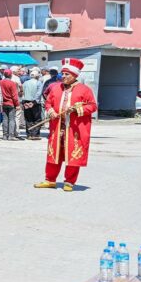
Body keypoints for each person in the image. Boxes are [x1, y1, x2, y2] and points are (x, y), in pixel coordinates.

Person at [35, 58, 97, 192]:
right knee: (54, 154)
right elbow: (48, 103)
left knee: (72, 155)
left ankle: (69, 182)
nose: (63, 76)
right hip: (57, 127)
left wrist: (76, 110)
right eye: (62, 74)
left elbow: (92, 106)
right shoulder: (56, 88)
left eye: (66, 74)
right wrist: (51, 111)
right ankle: (50, 180)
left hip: (74, 128)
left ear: (74, 75)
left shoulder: (84, 90)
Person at [0, 69, 21, 140]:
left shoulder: (0, 82)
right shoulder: (12, 83)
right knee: (12, 119)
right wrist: (17, 104)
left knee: (5, 119)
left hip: (3, 103)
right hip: (11, 103)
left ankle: (5, 135)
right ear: (11, 75)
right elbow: (14, 95)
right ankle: (11, 135)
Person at [21, 68, 44, 140]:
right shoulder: (38, 83)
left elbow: (23, 93)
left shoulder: (25, 83)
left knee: (28, 119)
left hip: (26, 102)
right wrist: (34, 102)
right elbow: (39, 94)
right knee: (37, 119)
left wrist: (24, 102)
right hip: (35, 103)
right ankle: (35, 134)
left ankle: (29, 134)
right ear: (37, 76)